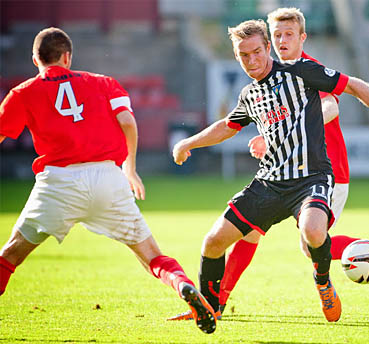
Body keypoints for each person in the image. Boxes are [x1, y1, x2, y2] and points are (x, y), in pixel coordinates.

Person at [168, 8, 369, 323]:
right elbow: (228, 124)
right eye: (277, 35)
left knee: (311, 238)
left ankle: (364, 256)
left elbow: (332, 101)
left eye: (287, 34)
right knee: (231, 237)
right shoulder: (251, 92)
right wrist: (189, 143)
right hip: (271, 180)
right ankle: (213, 305)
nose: (281, 41)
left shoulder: (304, 69)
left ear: (300, 37)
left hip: (316, 173)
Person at [0, 27, 216, 334]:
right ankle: (182, 286)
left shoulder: (22, 93)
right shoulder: (103, 82)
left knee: (10, 254)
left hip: (58, 182)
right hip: (108, 178)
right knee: (153, 256)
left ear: (35, 59)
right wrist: (130, 168)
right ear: (68, 57)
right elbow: (127, 121)